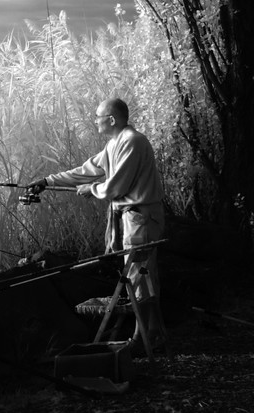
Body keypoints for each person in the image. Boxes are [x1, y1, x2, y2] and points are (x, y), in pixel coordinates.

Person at [26, 98, 166, 351]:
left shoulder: (133, 142)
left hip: (141, 218)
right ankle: (154, 333)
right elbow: (85, 171)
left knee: (138, 277)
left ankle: (140, 339)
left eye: (98, 117)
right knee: (144, 277)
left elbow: (116, 186)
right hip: (133, 218)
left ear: (111, 119)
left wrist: (92, 189)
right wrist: (46, 181)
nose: (95, 121)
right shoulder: (114, 144)